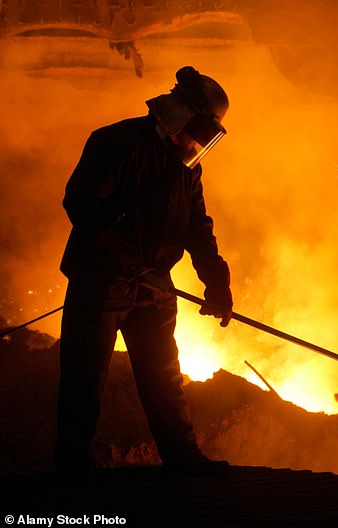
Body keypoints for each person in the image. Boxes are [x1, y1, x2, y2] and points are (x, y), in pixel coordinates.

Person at [54, 66, 233, 476]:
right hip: (101, 286)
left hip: (154, 289)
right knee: (84, 381)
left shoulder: (187, 166)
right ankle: (70, 471)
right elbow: (80, 204)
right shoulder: (114, 142)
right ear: (180, 113)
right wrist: (122, 260)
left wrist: (217, 281)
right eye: (199, 129)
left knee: (164, 380)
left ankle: (184, 462)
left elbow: (196, 227)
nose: (199, 142)